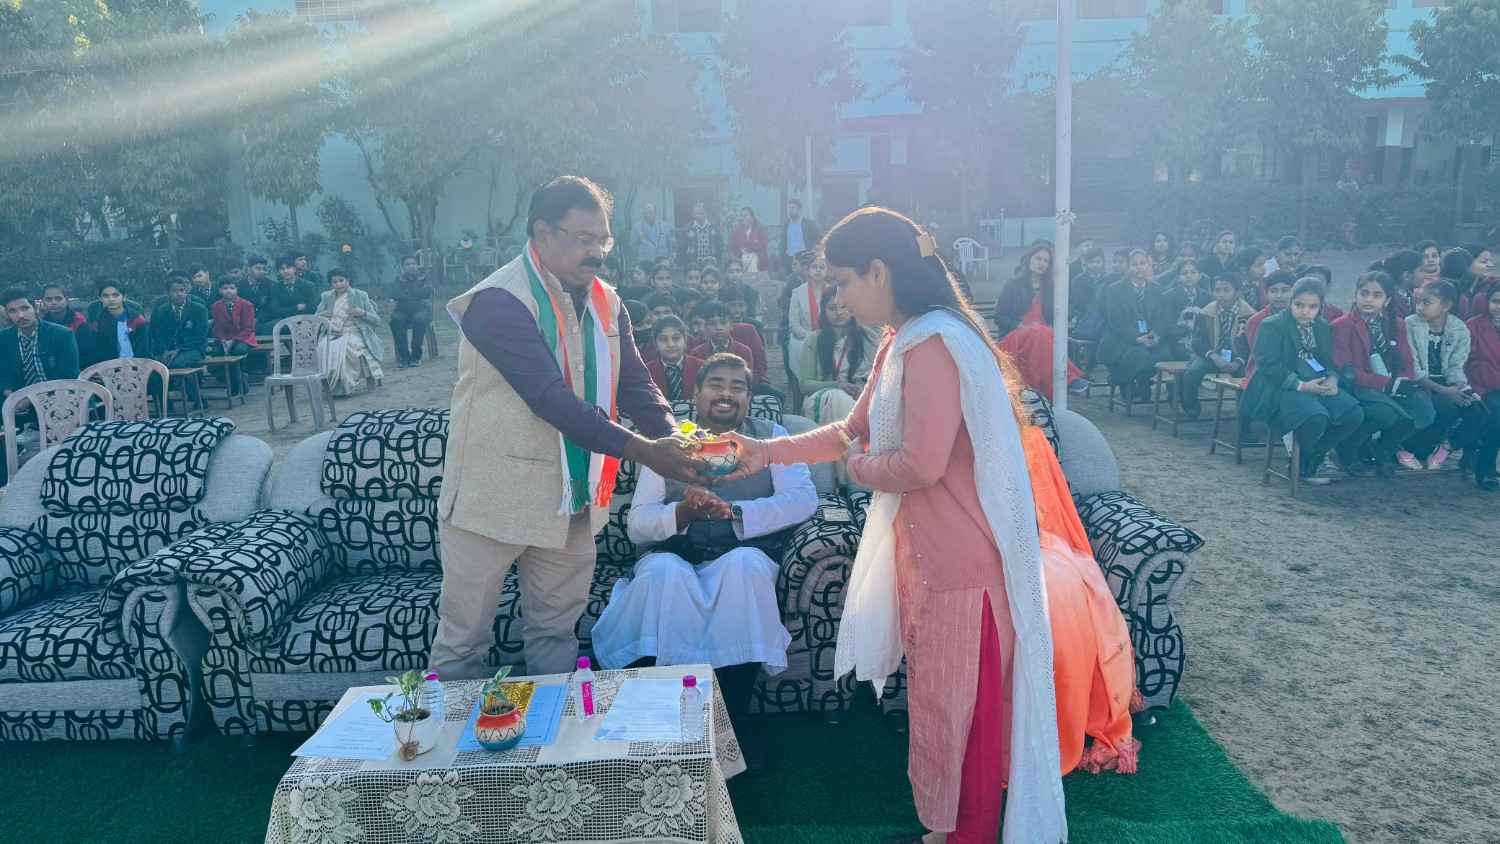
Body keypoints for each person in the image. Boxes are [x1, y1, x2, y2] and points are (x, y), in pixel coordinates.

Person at [726, 207, 1137, 844]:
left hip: (964, 571)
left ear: (879, 271)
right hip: (931, 562)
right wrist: (766, 451)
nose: (838, 297)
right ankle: (946, 831)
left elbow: (919, 464)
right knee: (940, 713)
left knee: (963, 723)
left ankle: (961, 834)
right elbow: (850, 430)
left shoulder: (934, 345)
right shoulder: (903, 340)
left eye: (842, 281)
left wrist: (856, 468)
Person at [430, 175, 710, 681]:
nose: (598, 252)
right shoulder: (498, 302)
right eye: (584, 239)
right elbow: (549, 398)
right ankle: (446, 737)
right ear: (542, 232)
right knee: (463, 642)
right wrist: (647, 451)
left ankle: (552, 734)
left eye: (604, 239)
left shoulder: (608, 301)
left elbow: (635, 383)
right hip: (490, 501)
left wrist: (676, 438)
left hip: (571, 500)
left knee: (555, 634)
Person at [592, 353, 815, 755]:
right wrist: (682, 512)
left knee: (745, 567)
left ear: (749, 397)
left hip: (743, 550)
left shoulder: (771, 438)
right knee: (664, 573)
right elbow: (637, 523)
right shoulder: (669, 443)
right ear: (695, 394)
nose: (726, 395)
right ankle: (665, 730)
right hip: (676, 553)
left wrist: (735, 512)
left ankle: (733, 729)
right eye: (716, 385)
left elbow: (802, 499)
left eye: (737, 387)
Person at [1244, 277, 1365, 484]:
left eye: (1312, 307)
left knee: (1353, 414)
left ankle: (1314, 455)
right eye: (1299, 305)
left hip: (1316, 383)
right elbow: (1267, 366)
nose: (1305, 311)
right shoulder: (1272, 325)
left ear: (1320, 307)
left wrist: (1332, 378)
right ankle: (1301, 461)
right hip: (1281, 387)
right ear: (1291, 302)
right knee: (1315, 417)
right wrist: (1300, 385)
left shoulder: (1322, 327)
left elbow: (1328, 361)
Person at [1332, 271, 1435, 477]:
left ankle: (1382, 447)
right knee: (1386, 414)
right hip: (1358, 387)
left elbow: (1407, 362)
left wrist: (1401, 382)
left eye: (1377, 295)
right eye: (1364, 293)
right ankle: (1348, 449)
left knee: (1425, 411)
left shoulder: (1397, 324)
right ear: (1356, 295)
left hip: (1392, 383)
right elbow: (1346, 369)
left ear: (1387, 300)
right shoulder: (1342, 325)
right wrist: (1385, 384)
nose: (1369, 299)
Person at [1405, 281, 1486, 471]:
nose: (1420, 307)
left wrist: (1460, 388)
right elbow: (1412, 368)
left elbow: (1456, 366)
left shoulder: (1459, 328)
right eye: (1418, 302)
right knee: (1447, 408)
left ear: (1446, 305)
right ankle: (1409, 447)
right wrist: (1445, 391)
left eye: (1427, 302)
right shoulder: (1410, 324)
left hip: (1447, 382)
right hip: (1419, 383)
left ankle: (1448, 446)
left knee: (1477, 410)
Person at [1180, 274, 1255, 418]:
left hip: (1238, 357)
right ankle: (1191, 407)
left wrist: (1238, 361)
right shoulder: (1206, 312)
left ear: (1237, 292)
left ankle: (1244, 413)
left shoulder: (1249, 315)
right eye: (1217, 290)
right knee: (1192, 372)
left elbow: (1251, 344)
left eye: (1226, 290)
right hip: (1210, 354)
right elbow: (1197, 341)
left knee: (1247, 377)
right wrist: (1213, 356)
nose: (1221, 295)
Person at [1098, 249, 1169, 401]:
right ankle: (1127, 381)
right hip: (1122, 337)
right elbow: (1116, 321)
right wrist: (1137, 338)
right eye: (1134, 264)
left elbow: (1162, 318)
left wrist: (1156, 335)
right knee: (1138, 354)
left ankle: (1136, 378)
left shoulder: (1157, 288)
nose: (1139, 268)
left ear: (1149, 265)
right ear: (1128, 267)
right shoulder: (1114, 289)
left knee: (1165, 353)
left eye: (1142, 263)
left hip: (1150, 336)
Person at [797, 286, 872, 422]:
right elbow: (804, 385)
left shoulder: (866, 337)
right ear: (823, 310)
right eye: (832, 308)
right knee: (835, 398)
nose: (839, 313)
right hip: (824, 399)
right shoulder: (814, 339)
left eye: (844, 307)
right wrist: (837, 386)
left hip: (859, 397)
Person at [316, 268, 385, 397]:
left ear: (348, 280)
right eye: (334, 282)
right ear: (331, 284)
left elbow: (377, 320)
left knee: (346, 348)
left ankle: (346, 386)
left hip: (355, 332)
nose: (338, 284)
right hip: (333, 332)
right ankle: (333, 387)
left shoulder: (360, 295)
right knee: (323, 347)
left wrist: (362, 313)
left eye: (341, 280)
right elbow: (316, 318)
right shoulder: (327, 297)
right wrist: (323, 315)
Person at [1, 287, 80, 399]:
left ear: (35, 308)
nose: (20, 315)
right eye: (12, 311)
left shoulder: (62, 334)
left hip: (59, 396)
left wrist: (32, 398)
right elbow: (3, 375)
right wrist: (9, 394)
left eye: (25, 308)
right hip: (18, 398)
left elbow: (68, 375)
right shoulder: (3, 338)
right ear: (7, 314)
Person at [1463, 286, 1500, 490]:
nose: (1499, 307)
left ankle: (1477, 454)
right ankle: (1485, 467)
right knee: (1497, 414)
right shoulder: (1474, 325)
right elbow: (1468, 362)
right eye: (1495, 301)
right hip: (1480, 384)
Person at [80, 278, 151, 367]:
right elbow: (95, 351)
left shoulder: (137, 320)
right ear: (100, 299)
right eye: (106, 296)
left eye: (115, 295)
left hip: (137, 365)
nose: (111, 299)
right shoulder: (97, 322)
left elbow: (143, 350)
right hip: (108, 367)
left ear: (124, 297)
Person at [149, 274, 209, 371]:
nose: (179, 294)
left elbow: (200, 336)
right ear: (168, 293)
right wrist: (164, 351)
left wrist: (179, 350)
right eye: (174, 291)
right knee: (156, 366)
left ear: (186, 291)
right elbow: (159, 335)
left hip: (193, 349)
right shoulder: (162, 310)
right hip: (169, 350)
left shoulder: (199, 309)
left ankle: (189, 381)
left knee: (176, 363)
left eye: (182, 290)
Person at [1158, 257, 1212, 361]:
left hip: (1200, 342)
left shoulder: (1206, 296)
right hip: (1175, 341)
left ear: (1200, 276)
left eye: (1193, 272)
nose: (1189, 276)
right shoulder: (1168, 296)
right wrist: (1186, 327)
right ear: (1178, 277)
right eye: (1184, 273)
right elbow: (1166, 326)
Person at [210, 277, 258, 395]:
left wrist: (234, 340)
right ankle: (230, 380)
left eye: (232, 288)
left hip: (244, 337)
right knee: (216, 352)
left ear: (237, 289)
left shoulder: (246, 305)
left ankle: (240, 381)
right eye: (225, 288)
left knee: (238, 350)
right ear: (220, 290)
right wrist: (222, 339)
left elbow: (249, 327)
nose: (228, 291)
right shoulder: (216, 306)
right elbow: (217, 327)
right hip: (224, 338)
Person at [786, 252, 828, 383]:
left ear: (827, 270)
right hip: (804, 338)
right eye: (814, 267)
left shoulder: (833, 291)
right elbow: (794, 324)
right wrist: (811, 337)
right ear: (808, 270)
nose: (818, 270)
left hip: (829, 337)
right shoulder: (797, 292)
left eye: (822, 267)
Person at [690, 301, 757, 381]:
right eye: (712, 323)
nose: (718, 327)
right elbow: (696, 382)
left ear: (731, 325)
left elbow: (748, 381)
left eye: (723, 322)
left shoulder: (744, 351)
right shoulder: (696, 353)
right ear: (706, 327)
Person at [390, 254, 434, 369]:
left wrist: (408, 293)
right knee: (396, 320)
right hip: (402, 310)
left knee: (419, 319)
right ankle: (404, 357)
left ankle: (416, 356)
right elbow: (395, 293)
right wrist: (416, 294)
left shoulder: (424, 278)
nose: (411, 266)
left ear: (417, 265)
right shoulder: (398, 280)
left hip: (422, 309)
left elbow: (428, 291)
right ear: (403, 267)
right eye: (407, 264)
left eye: (413, 264)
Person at [645, 315, 702, 402]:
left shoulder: (702, 367)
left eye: (676, 338)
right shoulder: (646, 372)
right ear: (656, 344)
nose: (670, 344)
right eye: (663, 339)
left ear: (685, 341)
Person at [259, 255, 320, 331]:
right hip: (283, 321)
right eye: (282, 269)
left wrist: (287, 310)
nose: (285, 271)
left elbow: (312, 309)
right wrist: (297, 308)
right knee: (268, 327)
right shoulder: (275, 287)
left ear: (294, 269)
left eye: (288, 268)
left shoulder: (308, 286)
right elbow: (276, 311)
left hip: (304, 321)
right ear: (278, 272)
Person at [781, 198, 822, 277]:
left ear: (799, 209)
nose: (790, 210)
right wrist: (782, 259)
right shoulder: (786, 224)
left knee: (804, 279)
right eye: (789, 208)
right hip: (789, 259)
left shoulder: (809, 224)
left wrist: (814, 253)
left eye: (793, 208)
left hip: (804, 259)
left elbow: (819, 239)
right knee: (791, 280)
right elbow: (783, 243)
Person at [680, 201, 721, 268]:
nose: (698, 215)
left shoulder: (714, 227)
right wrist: (685, 263)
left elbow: (720, 246)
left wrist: (718, 261)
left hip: (711, 263)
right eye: (696, 212)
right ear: (692, 214)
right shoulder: (687, 229)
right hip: (692, 263)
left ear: (706, 213)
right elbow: (682, 248)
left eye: (700, 212)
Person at [729, 207, 769, 273]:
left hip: (757, 258)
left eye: (745, 215)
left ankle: (752, 277)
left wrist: (750, 248)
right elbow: (733, 245)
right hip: (740, 257)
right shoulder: (737, 230)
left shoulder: (760, 229)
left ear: (752, 217)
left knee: (752, 258)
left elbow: (763, 245)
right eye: (741, 216)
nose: (743, 218)